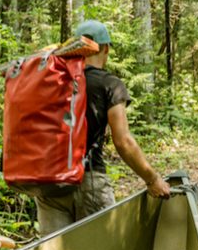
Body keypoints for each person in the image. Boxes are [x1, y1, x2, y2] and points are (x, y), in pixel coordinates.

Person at [35, 20, 171, 234]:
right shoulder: (109, 84)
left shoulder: (53, 80)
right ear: (105, 48)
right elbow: (123, 141)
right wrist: (152, 179)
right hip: (88, 180)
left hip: (48, 184)